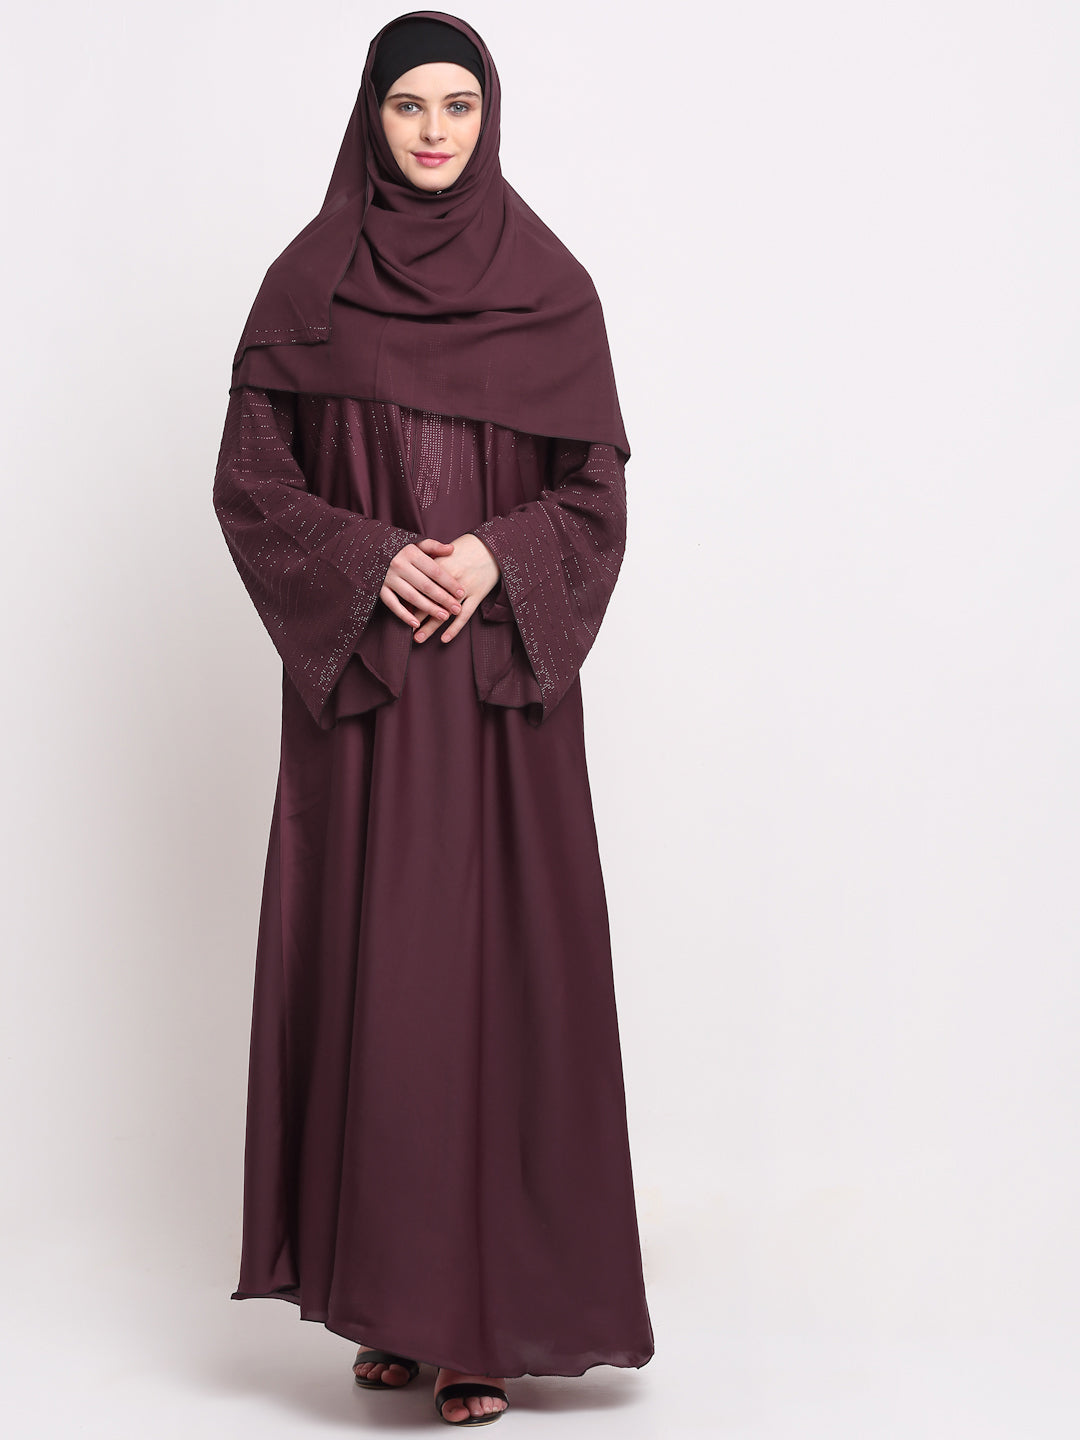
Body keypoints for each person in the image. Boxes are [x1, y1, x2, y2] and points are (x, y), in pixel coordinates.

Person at [213, 10, 654, 1428]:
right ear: (372, 115)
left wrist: (499, 556)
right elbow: (252, 486)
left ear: (489, 115)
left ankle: (480, 1330)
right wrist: (370, 557)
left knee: (495, 984)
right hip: (374, 693)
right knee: (383, 983)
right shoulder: (307, 287)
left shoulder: (552, 288)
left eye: (459, 104)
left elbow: (595, 495)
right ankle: (393, 1310)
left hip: (500, 701)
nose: (435, 131)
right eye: (411, 104)